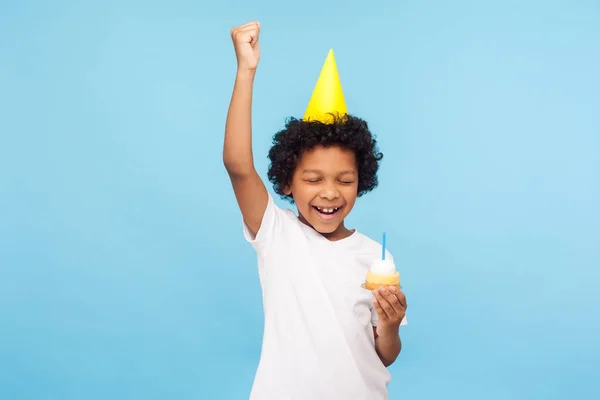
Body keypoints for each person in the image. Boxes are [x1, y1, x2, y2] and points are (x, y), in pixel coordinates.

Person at [223, 21, 408, 400]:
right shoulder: (277, 233)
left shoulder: (376, 257)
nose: (329, 193)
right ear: (287, 182)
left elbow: (384, 356)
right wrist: (246, 71)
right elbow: (238, 166)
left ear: (362, 181)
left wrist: (389, 327)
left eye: (344, 180)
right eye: (313, 179)